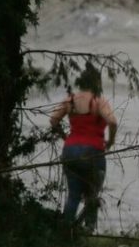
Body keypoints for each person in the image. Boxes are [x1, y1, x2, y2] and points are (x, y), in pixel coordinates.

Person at [49, 64, 118, 231]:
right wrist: (110, 141)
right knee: (92, 196)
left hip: (70, 150)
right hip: (93, 152)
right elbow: (113, 122)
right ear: (97, 84)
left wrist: (65, 136)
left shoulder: (70, 100)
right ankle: (88, 231)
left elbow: (53, 120)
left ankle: (65, 232)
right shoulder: (98, 102)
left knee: (73, 195)